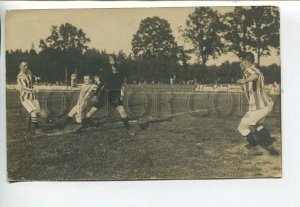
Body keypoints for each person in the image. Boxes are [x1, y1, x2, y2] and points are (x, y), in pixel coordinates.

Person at [236, 52, 278, 156]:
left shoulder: (249, 70)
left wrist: (244, 80)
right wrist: (245, 84)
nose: (239, 64)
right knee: (257, 125)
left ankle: (255, 148)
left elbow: (254, 76)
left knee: (242, 128)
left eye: (240, 61)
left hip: (258, 107)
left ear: (246, 62)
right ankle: (270, 143)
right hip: (266, 104)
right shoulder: (256, 69)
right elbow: (255, 78)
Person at [82, 56, 134, 136]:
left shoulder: (121, 73)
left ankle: (128, 130)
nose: (111, 61)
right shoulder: (107, 72)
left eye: (112, 59)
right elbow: (101, 84)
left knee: (122, 112)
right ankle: (83, 125)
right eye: (109, 60)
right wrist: (96, 95)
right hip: (105, 94)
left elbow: (121, 82)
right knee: (92, 112)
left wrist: (121, 94)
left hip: (115, 95)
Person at [17, 60, 43, 134]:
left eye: (27, 65)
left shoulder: (29, 72)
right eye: (24, 66)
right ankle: (37, 129)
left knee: (38, 110)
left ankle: (28, 125)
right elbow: (24, 88)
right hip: (25, 97)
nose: (26, 67)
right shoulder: (20, 77)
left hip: (32, 96)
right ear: (20, 67)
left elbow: (32, 77)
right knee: (33, 111)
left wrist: (36, 78)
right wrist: (34, 90)